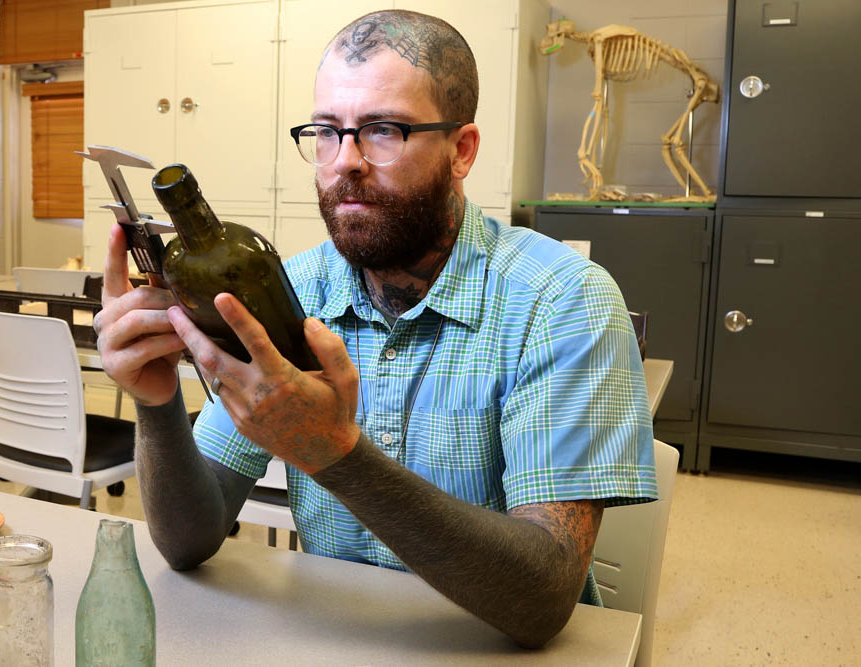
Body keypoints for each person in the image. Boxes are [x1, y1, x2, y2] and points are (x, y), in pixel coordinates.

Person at [93, 9, 657, 648]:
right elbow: (190, 539)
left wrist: (335, 454)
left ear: (461, 150)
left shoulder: (561, 301)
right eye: (327, 132)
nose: (345, 162)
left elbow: (542, 600)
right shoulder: (292, 290)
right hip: (331, 640)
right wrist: (156, 400)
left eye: (383, 130)